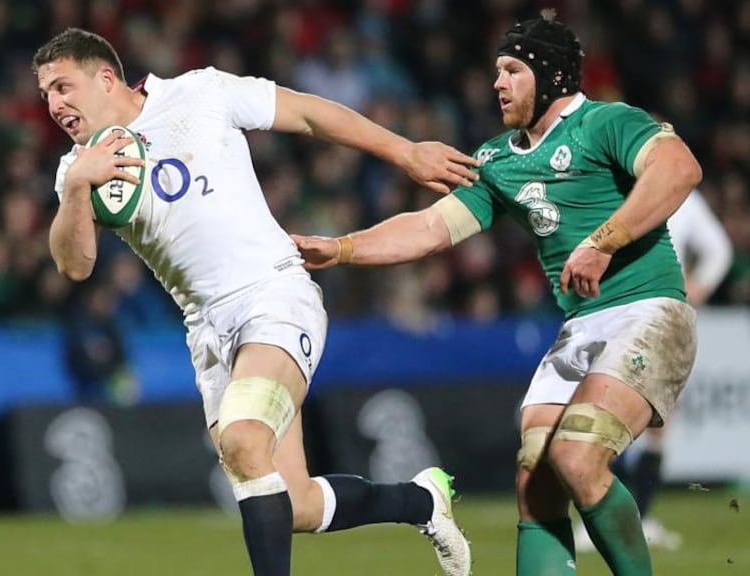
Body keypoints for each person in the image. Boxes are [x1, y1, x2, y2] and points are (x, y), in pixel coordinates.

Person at [33, 28, 479, 576]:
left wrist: (405, 150)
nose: (54, 104)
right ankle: (421, 501)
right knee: (292, 505)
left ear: (105, 77)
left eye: (62, 86)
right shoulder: (77, 169)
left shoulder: (200, 92)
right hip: (208, 332)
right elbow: (74, 266)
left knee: (244, 441)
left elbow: (310, 114)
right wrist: (78, 187)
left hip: (274, 293)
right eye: (46, 94)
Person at [292, 11, 702, 576]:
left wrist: (604, 241)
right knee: (536, 475)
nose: (497, 83)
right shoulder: (498, 160)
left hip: (649, 309)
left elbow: (679, 168)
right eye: (497, 70)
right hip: (583, 326)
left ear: (551, 74)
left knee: (577, 456)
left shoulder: (607, 122)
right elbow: (431, 227)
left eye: (512, 70)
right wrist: (339, 249)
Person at [575, 188, 732, 552]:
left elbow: (718, 249)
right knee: (614, 414)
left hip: (650, 316)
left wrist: (697, 289)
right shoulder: (613, 189)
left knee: (648, 418)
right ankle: (608, 519)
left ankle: (636, 517)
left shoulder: (679, 197)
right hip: (617, 313)